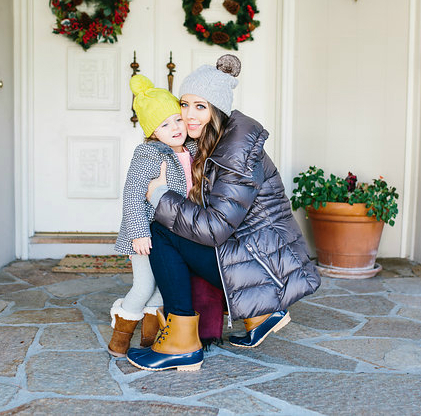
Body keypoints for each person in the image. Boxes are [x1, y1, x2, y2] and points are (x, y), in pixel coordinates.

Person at [126, 55, 321, 371]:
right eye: (184, 104)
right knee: (175, 225)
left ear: (217, 110)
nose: (188, 115)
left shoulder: (236, 154)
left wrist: (161, 197)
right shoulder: (216, 141)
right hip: (259, 256)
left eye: (200, 107)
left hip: (265, 267)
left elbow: (215, 228)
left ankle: (180, 344)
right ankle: (260, 315)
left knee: (162, 229)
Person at [108, 74, 197, 357]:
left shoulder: (192, 151)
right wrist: (138, 232)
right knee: (145, 285)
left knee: (162, 288)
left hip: (173, 234)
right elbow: (133, 193)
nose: (175, 128)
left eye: (177, 119)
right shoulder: (149, 154)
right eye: (164, 124)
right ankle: (119, 339)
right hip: (145, 234)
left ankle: (150, 340)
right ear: (152, 131)